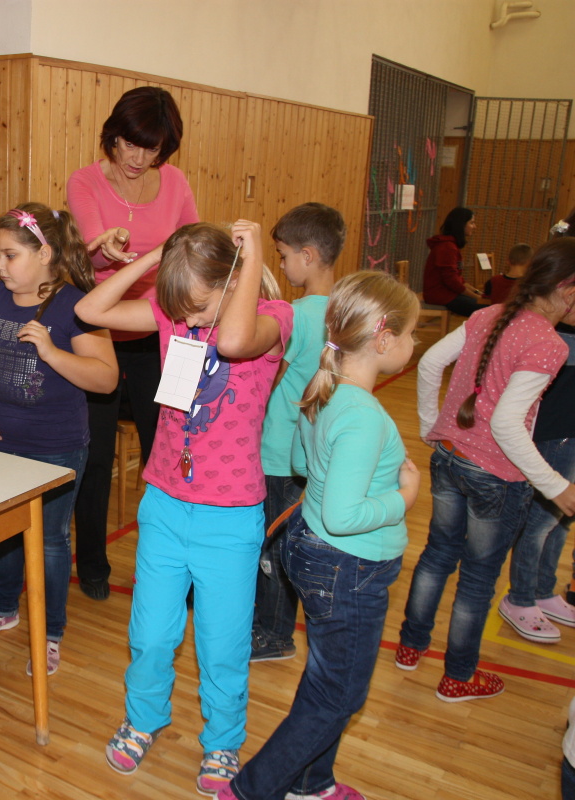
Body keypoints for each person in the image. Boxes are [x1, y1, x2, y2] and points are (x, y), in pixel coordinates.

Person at [76, 221, 292, 795]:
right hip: (165, 507)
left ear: (233, 281)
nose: (189, 320)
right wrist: (156, 256)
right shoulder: (175, 315)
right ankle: (143, 718)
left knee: (222, 647)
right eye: (181, 308)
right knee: (150, 635)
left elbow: (233, 343)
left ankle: (223, 740)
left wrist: (252, 257)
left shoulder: (273, 318)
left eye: (199, 306)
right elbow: (92, 310)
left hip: (229, 518)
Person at [219, 271, 421, 800]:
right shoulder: (364, 415)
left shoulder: (323, 391)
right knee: (339, 695)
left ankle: (312, 784)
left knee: (326, 679)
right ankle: (250, 790)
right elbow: (343, 515)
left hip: (319, 556)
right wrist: (403, 497)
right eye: (411, 333)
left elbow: (300, 463)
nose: (414, 343)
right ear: (384, 340)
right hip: (347, 567)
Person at [396, 237, 575, 700]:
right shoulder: (548, 343)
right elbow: (507, 425)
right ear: (568, 289)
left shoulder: (488, 314)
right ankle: (458, 676)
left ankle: (410, 646)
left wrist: (430, 426)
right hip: (495, 476)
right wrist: (556, 485)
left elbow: (430, 363)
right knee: (477, 579)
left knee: (438, 554)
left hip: (449, 457)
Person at [0, 203, 118, 676]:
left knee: (50, 540)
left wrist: (51, 353)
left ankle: (49, 632)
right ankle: (2, 607)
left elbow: (106, 377)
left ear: (45, 254)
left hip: (56, 444)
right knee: (3, 530)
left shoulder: (76, 305)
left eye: (10, 255)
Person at [66, 86, 200, 601]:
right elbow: (93, 258)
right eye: (130, 144)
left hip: (160, 337)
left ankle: (177, 568)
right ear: (113, 136)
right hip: (98, 336)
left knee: (170, 452)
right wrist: (106, 247)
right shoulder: (85, 181)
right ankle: (92, 563)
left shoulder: (176, 183)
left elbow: (190, 251)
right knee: (97, 455)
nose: (139, 158)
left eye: (153, 148)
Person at [251, 203, 344, 663]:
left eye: (284, 256)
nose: (283, 265)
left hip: (278, 451)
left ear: (308, 256)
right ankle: (273, 625)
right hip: (314, 451)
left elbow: (268, 381)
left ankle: (272, 633)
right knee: (287, 538)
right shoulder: (345, 310)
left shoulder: (295, 314)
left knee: (272, 544)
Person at [500, 221, 575, 643]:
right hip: (554, 427)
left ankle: (543, 590)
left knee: (561, 517)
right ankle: (520, 597)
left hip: (569, 428)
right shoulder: (550, 322)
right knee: (543, 518)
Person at [423, 207, 483, 318]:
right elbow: (451, 280)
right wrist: (477, 298)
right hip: (441, 295)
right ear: (461, 225)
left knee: (486, 306)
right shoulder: (447, 247)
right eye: (471, 223)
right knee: (485, 310)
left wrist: (477, 293)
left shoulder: (450, 245)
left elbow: (458, 279)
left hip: (448, 294)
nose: (474, 226)